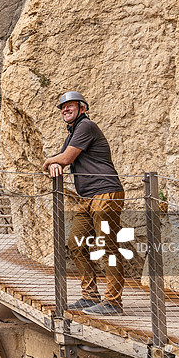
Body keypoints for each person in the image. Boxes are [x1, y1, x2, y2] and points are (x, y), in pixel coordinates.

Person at [42, 91, 125, 315]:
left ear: (82, 108)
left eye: (70, 106)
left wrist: (50, 161)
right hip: (87, 197)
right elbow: (63, 159)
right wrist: (54, 164)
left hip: (105, 194)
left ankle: (113, 302)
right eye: (62, 107)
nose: (65, 110)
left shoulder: (86, 126)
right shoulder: (72, 134)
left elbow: (66, 159)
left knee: (107, 247)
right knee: (76, 244)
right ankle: (90, 296)